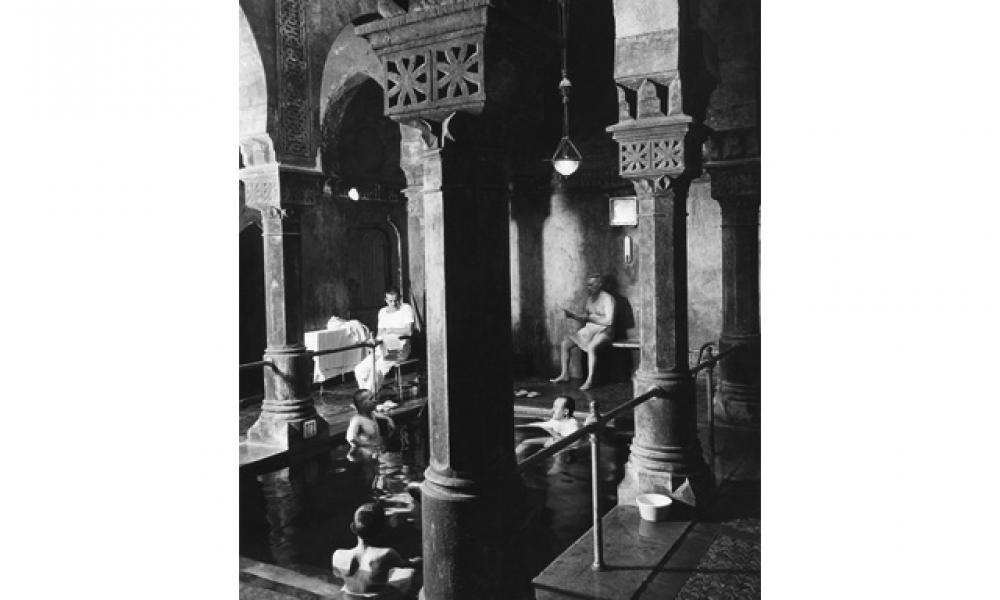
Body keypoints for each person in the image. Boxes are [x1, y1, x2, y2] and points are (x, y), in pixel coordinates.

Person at [331, 503, 421, 599]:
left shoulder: (338, 555)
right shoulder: (387, 554)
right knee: (410, 573)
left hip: (349, 597)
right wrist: (417, 562)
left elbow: (338, 575)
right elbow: (409, 565)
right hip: (377, 598)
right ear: (383, 529)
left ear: (353, 527)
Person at [550, 273, 616, 390]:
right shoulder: (590, 299)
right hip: (590, 329)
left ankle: (590, 380)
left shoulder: (608, 298)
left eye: (592, 284)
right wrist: (572, 316)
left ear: (600, 284)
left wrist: (590, 318)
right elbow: (585, 318)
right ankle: (565, 374)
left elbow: (609, 320)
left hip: (605, 330)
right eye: (588, 285)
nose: (589, 287)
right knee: (565, 344)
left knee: (591, 348)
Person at [354, 288, 416, 397]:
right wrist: (373, 340)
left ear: (400, 298)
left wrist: (391, 330)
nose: (393, 303)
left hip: (399, 346)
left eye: (396, 300)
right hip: (382, 346)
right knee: (359, 369)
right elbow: (380, 333)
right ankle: (366, 397)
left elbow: (409, 331)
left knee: (377, 369)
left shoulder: (406, 308)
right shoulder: (382, 312)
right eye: (390, 301)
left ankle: (367, 398)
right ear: (386, 300)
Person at [515, 395, 582, 457]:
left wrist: (552, 432)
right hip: (546, 438)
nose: (552, 410)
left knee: (526, 443)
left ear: (565, 412)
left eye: (556, 407)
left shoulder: (572, 423)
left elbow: (575, 442)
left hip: (554, 443)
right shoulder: (559, 420)